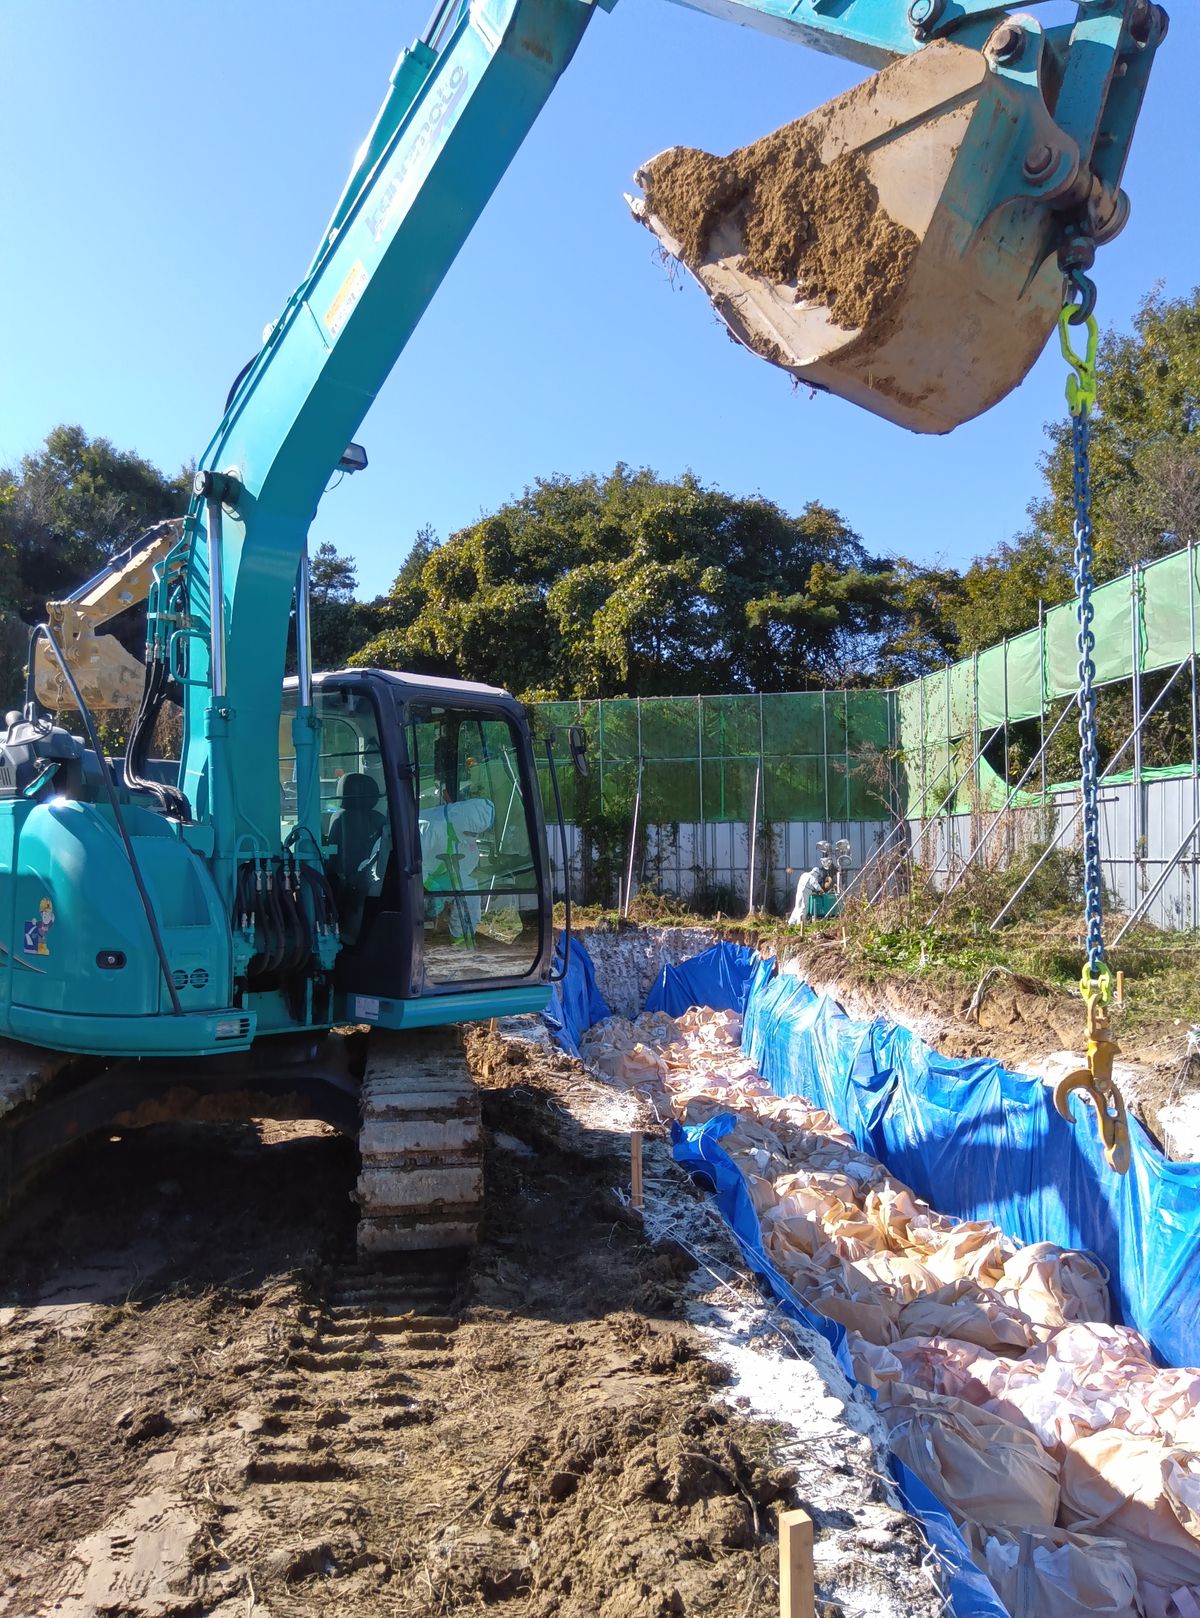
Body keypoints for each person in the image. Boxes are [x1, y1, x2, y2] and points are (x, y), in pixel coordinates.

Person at [419, 788, 495, 944]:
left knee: (469, 890)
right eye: (472, 834)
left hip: (438, 873)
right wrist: (431, 886)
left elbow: (467, 860)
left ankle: (461, 939)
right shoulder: (429, 828)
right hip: (406, 877)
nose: (473, 837)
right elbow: (412, 863)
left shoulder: (461, 826)